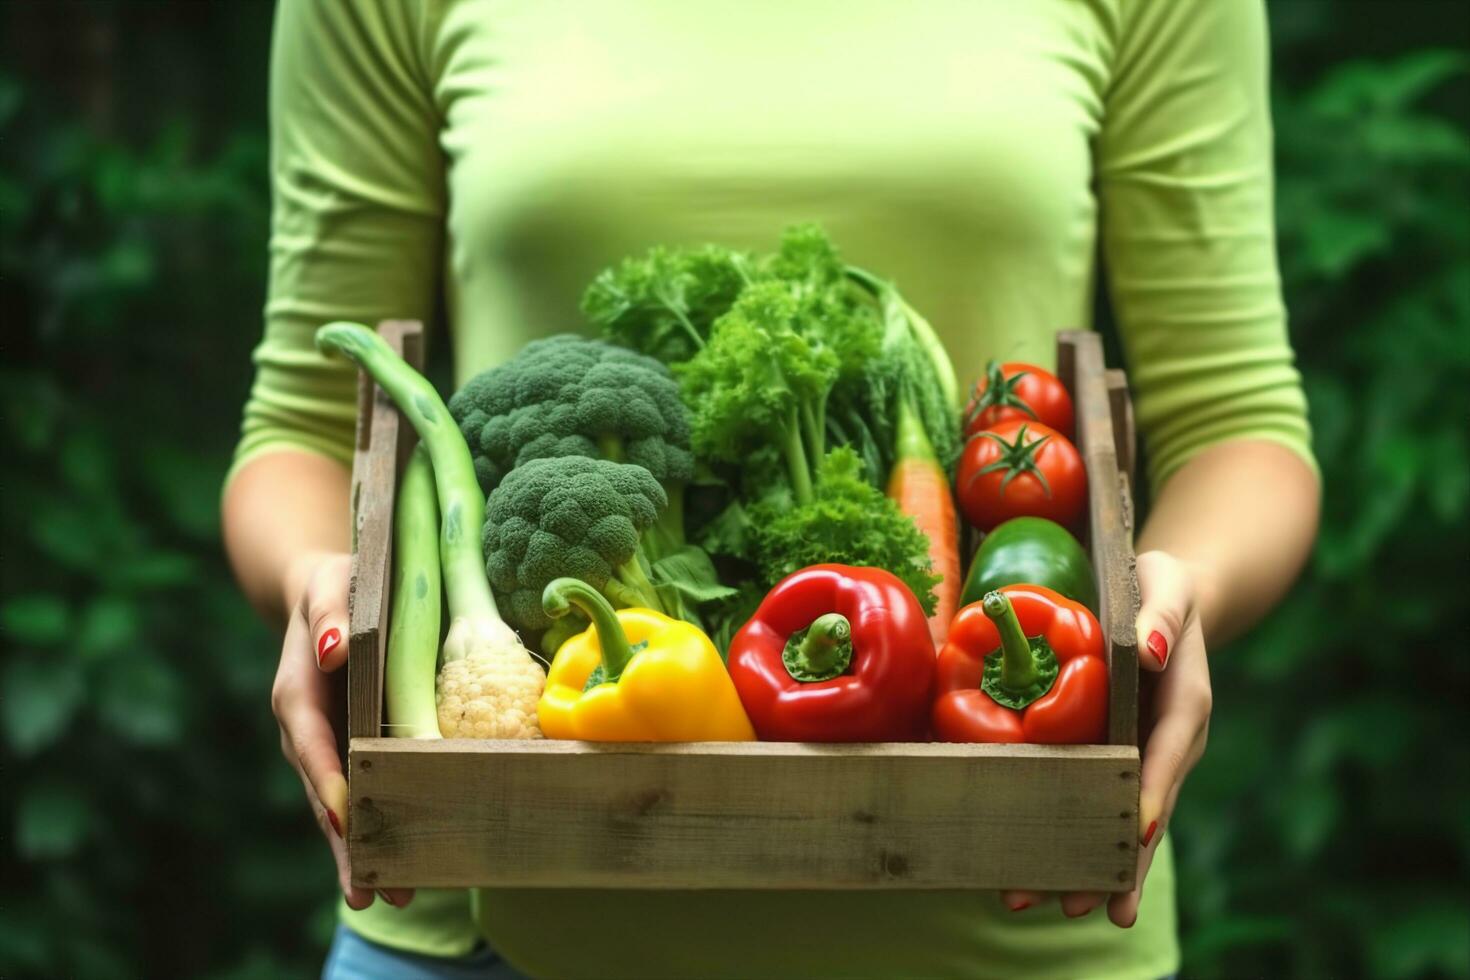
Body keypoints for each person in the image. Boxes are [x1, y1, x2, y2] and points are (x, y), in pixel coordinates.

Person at [222, 1, 1320, 977]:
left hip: (1020, 931)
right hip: (486, 929)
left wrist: (1184, 588)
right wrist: (321, 581)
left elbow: (1240, 426)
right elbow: (303, 429)